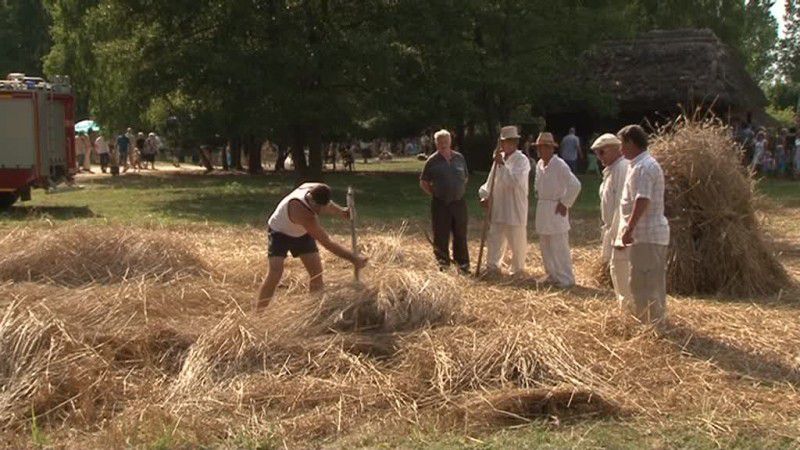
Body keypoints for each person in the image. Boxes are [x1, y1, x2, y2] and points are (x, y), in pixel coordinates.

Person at [254, 183, 369, 309]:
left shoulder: (315, 188)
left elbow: (328, 203)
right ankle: (259, 313)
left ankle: (312, 311)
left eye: (321, 207)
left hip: (302, 233)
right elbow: (327, 242)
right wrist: (353, 258)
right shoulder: (302, 212)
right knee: (275, 272)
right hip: (279, 232)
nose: (319, 211)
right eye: (317, 207)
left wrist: (341, 211)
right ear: (311, 199)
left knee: (316, 273)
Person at [616, 124, 670, 324]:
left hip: (648, 234)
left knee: (647, 282)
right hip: (644, 234)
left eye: (622, 144)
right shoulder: (638, 165)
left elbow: (643, 199)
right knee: (641, 280)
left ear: (631, 142)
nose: (621, 149)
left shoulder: (645, 167)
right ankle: (647, 320)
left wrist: (629, 228)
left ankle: (652, 323)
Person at [479, 126, 531, 276]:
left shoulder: (522, 161)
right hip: (499, 207)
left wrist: (501, 164)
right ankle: (492, 267)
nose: (503, 145)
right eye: (502, 142)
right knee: (495, 238)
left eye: (506, 142)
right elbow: (490, 181)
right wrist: (485, 195)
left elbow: (514, 182)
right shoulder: (498, 158)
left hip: (514, 207)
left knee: (517, 241)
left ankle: (517, 270)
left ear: (514, 143)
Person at [533, 132, 581, 287]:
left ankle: (566, 278)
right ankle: (552, 274)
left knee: (559, 245)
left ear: (552, 148)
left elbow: (575, 185)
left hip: (555, 207)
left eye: (545, 147)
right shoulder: (540, 164)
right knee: (545, 245)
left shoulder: (559, 164)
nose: (542, 150)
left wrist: (565, 203)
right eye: (540, 147)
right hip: (543, 207)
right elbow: (537, 184)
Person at [420, 129, 470, 273]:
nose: (443, 144)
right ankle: (443, 265)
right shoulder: (432, 161)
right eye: (440, 142)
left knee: (460, 233)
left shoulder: (459, 158)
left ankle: (463, 265)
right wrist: (435, 193)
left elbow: (465, 178)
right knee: (441, 235)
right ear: (436, 143)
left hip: (459, 203)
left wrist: (457, 190)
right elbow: (423, 182)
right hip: (441, 204)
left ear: (450, 142)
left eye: (446, 141)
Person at [593, 133, 631, 305]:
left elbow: (621, 205)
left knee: (621, 267)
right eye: (597, 154)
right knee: (616, 268)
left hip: (619, 227)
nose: (599, 157)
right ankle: (624, 304)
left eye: (602, 152)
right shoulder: (611, 170)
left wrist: (619, 233)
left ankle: (629, 307)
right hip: (612, 226)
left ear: (616, 149)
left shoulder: (622, 168)